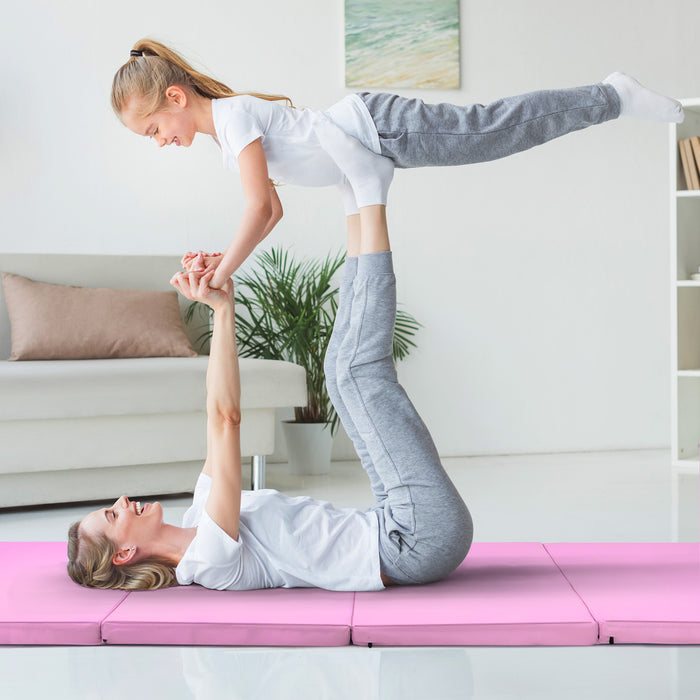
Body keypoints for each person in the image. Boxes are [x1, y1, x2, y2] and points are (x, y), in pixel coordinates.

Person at [66, 211, 473, 591]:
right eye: (112, 515)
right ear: (124, 554)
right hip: (414, 541)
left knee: (338, 373)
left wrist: (223, 299)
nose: (121, 502)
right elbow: (226, 419)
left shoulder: (198, 515)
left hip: (387, 520)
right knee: (358, 374)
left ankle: (356, 202)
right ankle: (370, 197)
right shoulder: (208, 560)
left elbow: (214, 417)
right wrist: (221, 312)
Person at [112, 39, 684, 286]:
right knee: (492, 135)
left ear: (175, 98)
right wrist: (225, 255)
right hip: (376, 144)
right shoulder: (226, 142)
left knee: (490, 130)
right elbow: (273, 213)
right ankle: (609, 98)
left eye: (153, 129)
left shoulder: (234, 117)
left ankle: (612, 96)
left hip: (379, 126)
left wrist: (223, 272)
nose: (159, 142)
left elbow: (258, 206)